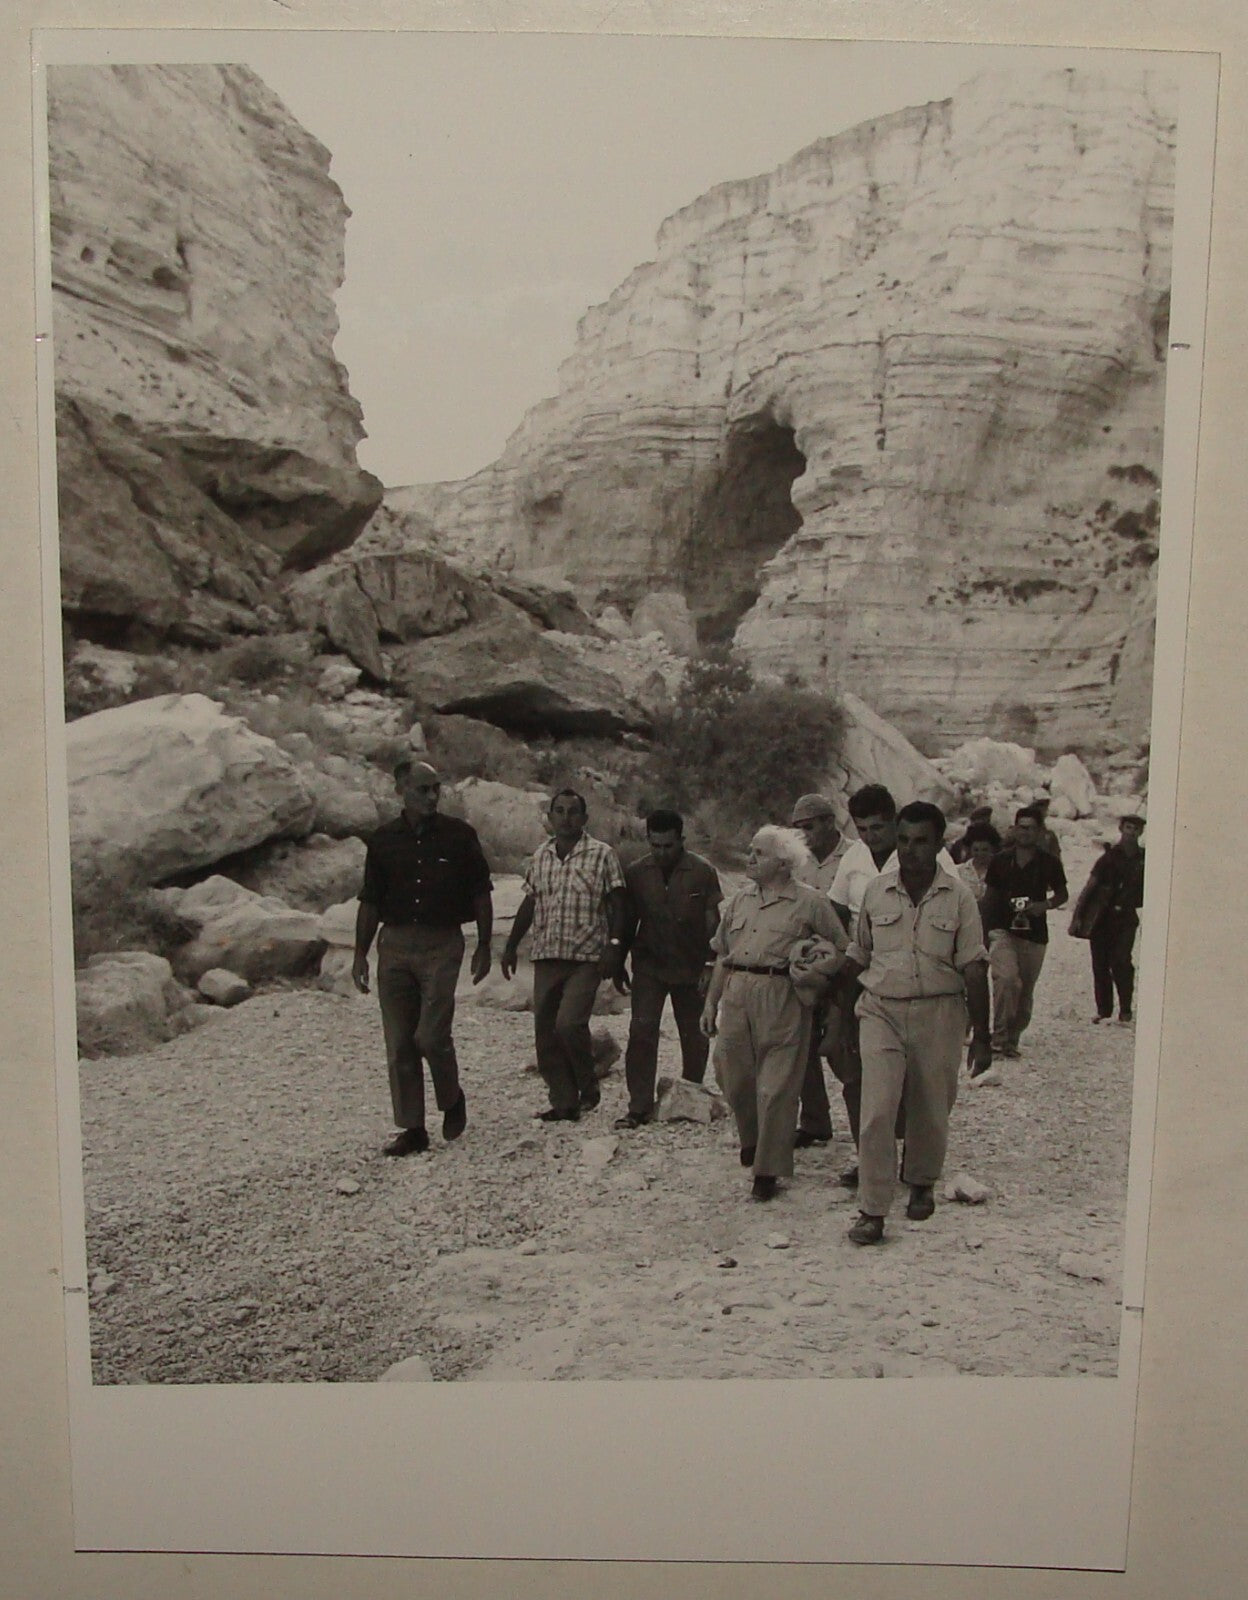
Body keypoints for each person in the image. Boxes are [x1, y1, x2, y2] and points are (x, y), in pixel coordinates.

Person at [837, 802, 992, 1245]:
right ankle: (872, 1210)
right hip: (881, 1010)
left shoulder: (959, 896)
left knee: (930, 1104)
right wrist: (841, 1018)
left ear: (939, 843)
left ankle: (921, 1182)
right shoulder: (876, 891)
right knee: (877, 1110)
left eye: (921, 841)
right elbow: (858, 955)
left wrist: (983, 1038)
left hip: (940, 1013)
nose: (910, 850)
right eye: (903, 840)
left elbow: (975, 967)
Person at [352, 759, 493, 1156]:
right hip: (394, 944)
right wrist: (360, 954)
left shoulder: (460, 836)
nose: (432, 797)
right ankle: (412, 1127)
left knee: (430, 1035)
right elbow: (370, 900)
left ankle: (451, 1097)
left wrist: (484, 945)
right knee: (399, 1042)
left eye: (436, 789)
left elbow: (482, 892)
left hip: (442, 944)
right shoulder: (382, 841)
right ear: (402, 791)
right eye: (422, 790)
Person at [701, 826, 844, 1201]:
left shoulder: (811, 902)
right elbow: (723, 954)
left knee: (778, 1088)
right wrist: (710, 1002)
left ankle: (768, 1169)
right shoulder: (740, 901)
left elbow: (840, 951)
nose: (749, 859)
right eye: (750, 851)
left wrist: (818, 978)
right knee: (733, 1075)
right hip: (737, 994)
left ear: (783, 864)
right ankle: (751, 1139)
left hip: (783, 996)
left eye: (758, 854)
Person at [826, 784, 957, 1189]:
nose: (870, 837)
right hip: (865, 981)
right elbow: (835, 912)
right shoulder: (853, 858)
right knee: (854, 1073)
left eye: (878, 828)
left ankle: (913, 1161)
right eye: (862, 829)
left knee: (915, 1083)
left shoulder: (938, 865)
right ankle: (868, 1157)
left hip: (919, 990)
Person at [500, 789, 628, 1122]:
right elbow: (531, 901)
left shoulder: (602, 855)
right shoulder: (541, 856)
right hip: (546, 953)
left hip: (586, 956)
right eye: (559, 811)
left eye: (573, 812)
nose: (566, 818)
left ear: (584, 819)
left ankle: (588, 1085)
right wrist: (511, 945)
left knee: (569, 1023)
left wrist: (615, 946)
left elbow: (618, 904)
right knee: (545, 1031)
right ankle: (564, 1102)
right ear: (550, 816)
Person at [615, 809, 722, 1130]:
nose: (662, 853)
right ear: (648, 840)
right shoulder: (635, 873)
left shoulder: (703, 871)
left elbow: (713, 921)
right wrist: (619, 959)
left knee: (694, 1034)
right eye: (656, 845)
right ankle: (639, 1107)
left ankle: (689, 1096)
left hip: (691, 966)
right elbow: (626, 919)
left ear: (681, 841)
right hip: (649, 965)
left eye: (669, 846)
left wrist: (710, 965)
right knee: (641, 1032)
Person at [790, 793, 852, 1149]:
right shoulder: (797, 863)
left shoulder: (854, 857)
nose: (803, 835)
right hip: (807, 962)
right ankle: (814, 1121)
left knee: (842, 1043)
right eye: (796, 829)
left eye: (808, 827)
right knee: (803, 1043)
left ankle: (868, 1116)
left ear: (829, 822)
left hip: (846, 961)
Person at [982, 805, 1069, 1058]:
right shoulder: (1000, 860)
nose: (1025, 833)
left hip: (1034, 934)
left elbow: (1062, 894)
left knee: (1025, 990)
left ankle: (1012, 1039)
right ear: (1014, 828)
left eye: (1031, 828)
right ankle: (998, 1040)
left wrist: (1044, 905)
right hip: (1002, 930)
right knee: (1006, 980)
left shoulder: (1049, 863)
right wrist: (984, 932)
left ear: (1040, 831)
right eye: (1021, 827)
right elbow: (990, 897)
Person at [1077, 813, 1146, 1023]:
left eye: (1135, 829)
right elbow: (1091, 886)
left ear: (1141, 832)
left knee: (1121, 961)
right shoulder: (1108, 858)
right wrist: (1079, 915)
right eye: (1128, 828)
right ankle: (1104, 1010)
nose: (1131, 833)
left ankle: (1125, 1009)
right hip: (1102, 917)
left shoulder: (1145, 859)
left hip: (1126, 917)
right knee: (1100, 964)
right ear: (1121, 829)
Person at [956, 820, 1002, 905]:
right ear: (970, 849)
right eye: (976, 850)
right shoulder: (957, 871)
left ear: (992, 849)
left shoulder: (1000, 871)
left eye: (985, 850)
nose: (980, 854)